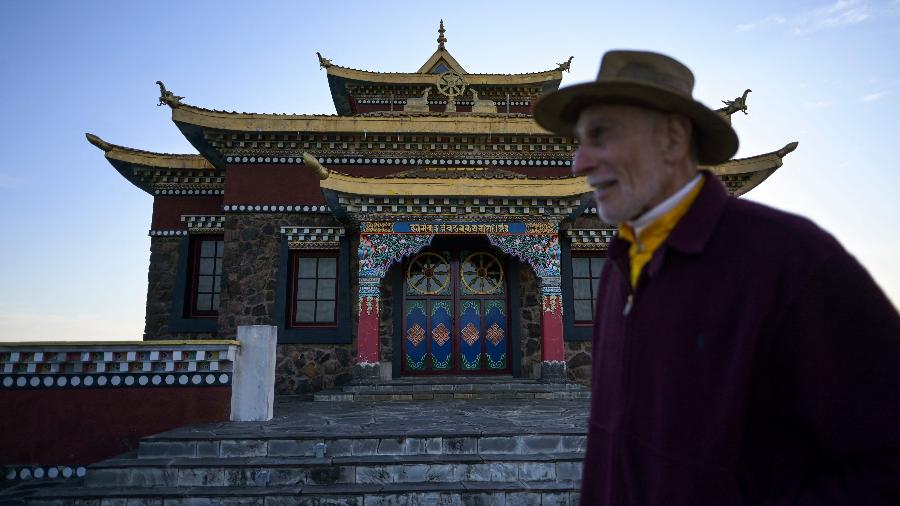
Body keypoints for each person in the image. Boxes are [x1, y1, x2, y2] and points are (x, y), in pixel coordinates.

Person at [534, 50, 900, 505]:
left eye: (601, 136)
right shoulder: (617, 270)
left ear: (672, 139)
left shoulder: (792, 261)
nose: (578, 163)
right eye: (578, 141)